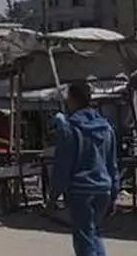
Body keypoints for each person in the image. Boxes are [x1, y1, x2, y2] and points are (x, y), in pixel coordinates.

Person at [48, 81, 120, 256]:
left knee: (84, 237)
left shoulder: (70, 128)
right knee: (94, 232)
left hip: (81, 189)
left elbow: (63, 164)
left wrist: (54, 194)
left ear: (72, 99)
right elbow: (112, 164)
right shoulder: (106, 127)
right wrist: (114, 193)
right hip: (103, 188)